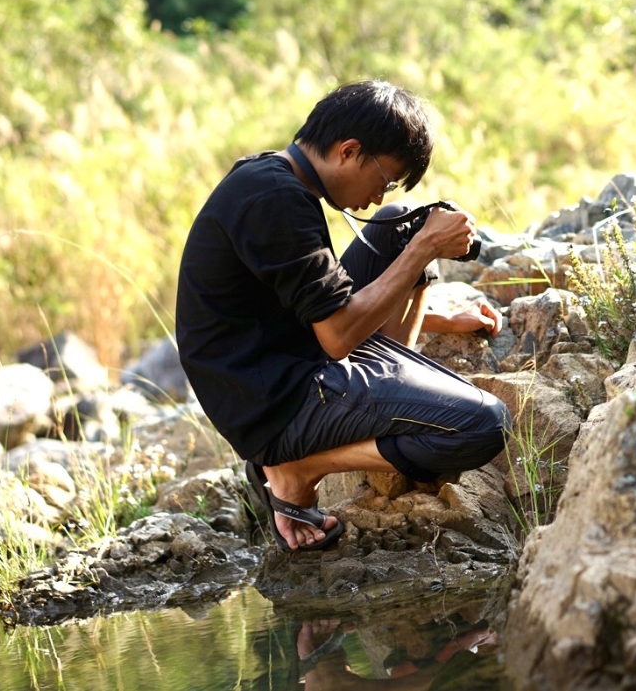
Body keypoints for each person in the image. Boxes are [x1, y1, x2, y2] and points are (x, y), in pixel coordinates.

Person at [175, 80, 510, 553]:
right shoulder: (275, 201)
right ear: (349, 151)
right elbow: (335, 336)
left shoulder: (273, 178)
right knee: (485, 423)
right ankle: (298, 467)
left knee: (401, 221)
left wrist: (439, 315)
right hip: (272, 403)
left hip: (280, 357)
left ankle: (390, 385)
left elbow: (307, 301)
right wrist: (425, 248)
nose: (377, 196)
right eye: (385, 179)